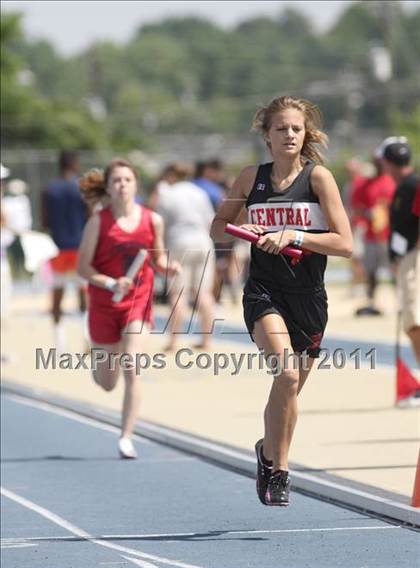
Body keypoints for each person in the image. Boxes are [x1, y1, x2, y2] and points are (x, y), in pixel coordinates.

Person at [210, 95, 352, 506]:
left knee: (288, 390)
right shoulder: (250, 178)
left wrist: (294, 235)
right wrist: (246, 226)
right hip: (264, 292)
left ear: (305, 133)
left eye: (296, 128)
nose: (289, 134)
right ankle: (282, 473)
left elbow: (345, 244)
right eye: (281, 128)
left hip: (308, 297)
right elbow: (217, 228)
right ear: (266, 135)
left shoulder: (319, 178)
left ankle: (267, 451)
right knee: (287, 375)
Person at [77, 158, 179, 458]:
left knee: (133, 364)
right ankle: (100, 355)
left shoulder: (152, 220)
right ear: (108, 187)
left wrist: (167, 267)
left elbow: (158, 259)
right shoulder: (98, 221)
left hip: (138, 302)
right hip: (104, 303)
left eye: (127, 180)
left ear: (136, 184)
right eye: (116, 181)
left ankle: (126, 437)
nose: (122, 185)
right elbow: (83, 267)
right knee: (107, 383)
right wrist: (110, 283)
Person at [154, 163, 215, 351]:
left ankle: (173, 341)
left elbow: (159, 223)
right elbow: (209, 220)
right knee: (204, 293)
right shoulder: (199, 192)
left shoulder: (168, 194)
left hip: (178, 241)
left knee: (178, 293)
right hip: (202, 241)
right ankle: (206, 340)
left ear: (171, 175)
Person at [379, 137, 420, 367]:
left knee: (414, 321)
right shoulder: (404, 187)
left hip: (414, 258)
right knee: (410, 320)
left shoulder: (413, 184)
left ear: (387, 163)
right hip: (406, 258)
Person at [41, 150, 87, 352]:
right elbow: (91, 216)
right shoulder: (82, 188)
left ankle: (59, 342)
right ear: (74, 163)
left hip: (57, 248)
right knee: (84, 294)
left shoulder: (48, 189)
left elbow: (44, 221)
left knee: (57, 294)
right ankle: (87, 337)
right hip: (80, 247)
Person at [351, 155, 396, 316]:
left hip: (389, 235)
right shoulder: (364, 184)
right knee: (371, 271)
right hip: (371, 235)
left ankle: (400, 302)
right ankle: (371, 302)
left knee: (394, 269)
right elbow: (356, 206)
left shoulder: (390, 182)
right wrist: (368, 213)